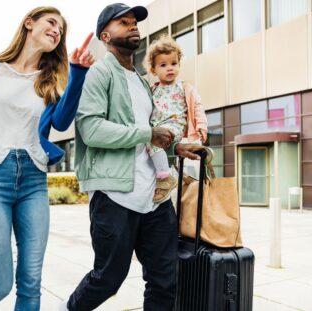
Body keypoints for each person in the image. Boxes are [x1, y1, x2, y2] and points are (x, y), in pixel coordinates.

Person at [0, 6, 94, 310]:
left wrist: (78, 72)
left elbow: (63, 122)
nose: (57, 30)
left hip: (32, 179)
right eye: (51, 23)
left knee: (30, 283)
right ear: (29, 23)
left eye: (61, 30)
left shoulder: (51, 79)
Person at [62, 4, 203, 310]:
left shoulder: (141, 81)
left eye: (134, 22)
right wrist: (148, 134)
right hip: (115, 195)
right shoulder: (100, 73)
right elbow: (91, 129)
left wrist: (174, 146)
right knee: (108, 278)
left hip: (154, 197)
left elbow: (146, 137)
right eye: (123, 22)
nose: (133, 26)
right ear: (105, 35)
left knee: (165, 278)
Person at [145, 35, 208, 203]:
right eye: (163, 65)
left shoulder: (184, 87)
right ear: (153, 70)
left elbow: (197, 106)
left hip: (174, 126)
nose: (169, 68)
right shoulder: (152, 90)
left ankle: (164, 177)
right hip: (157, 128)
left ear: (179, 64)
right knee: (148, 143)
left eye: (174, 63)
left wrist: (201, 125)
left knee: (153, 142)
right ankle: (163, 174)